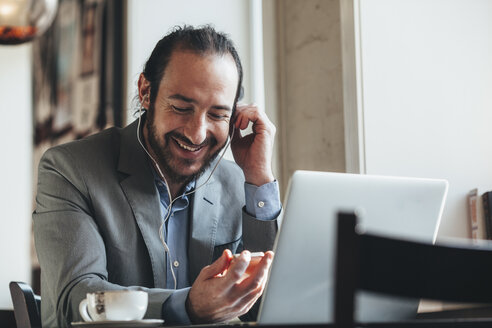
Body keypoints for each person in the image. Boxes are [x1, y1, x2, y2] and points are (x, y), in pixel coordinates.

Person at [33, 25, 281, 327]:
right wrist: (187, 307)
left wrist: (258, 180)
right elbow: (76, 300)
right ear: (146, 92)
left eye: (217, 115)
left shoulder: (237, 184)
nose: (197, 132)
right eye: (181, 107)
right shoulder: (70, 169)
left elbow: (265, 308)